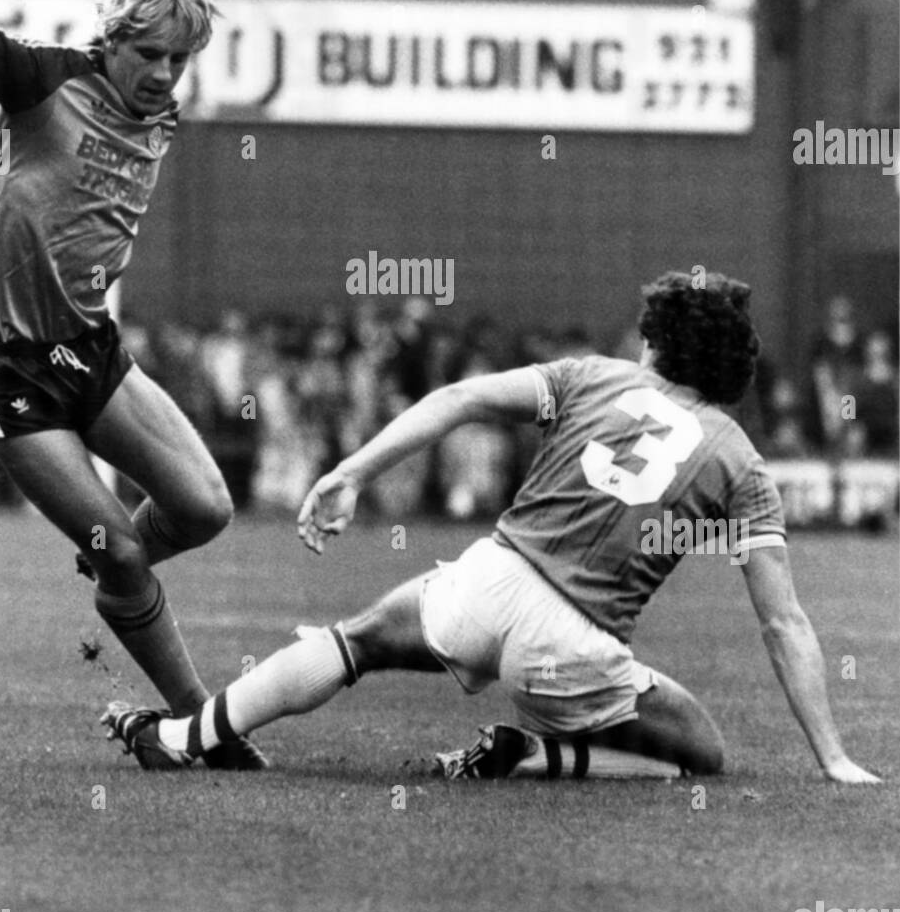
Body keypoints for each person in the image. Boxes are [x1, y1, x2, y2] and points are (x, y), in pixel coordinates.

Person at [101, 272, 879, 785]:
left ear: (655, 344)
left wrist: (354, 473)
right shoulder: (742, 463)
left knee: (356, 641)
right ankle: (534, 752)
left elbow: (461, 399)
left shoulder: (591, 375)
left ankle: (180, 738)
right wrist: (832, 757)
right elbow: (781, 620)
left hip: (486, 584)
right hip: (572, 654)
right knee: (697, 753)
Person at [0, 0, 263, 769]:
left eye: (181, 61)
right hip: (5, 362)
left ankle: (114, 570)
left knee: (203, 509)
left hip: (90, 348)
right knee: (120, 550)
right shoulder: (50, 80)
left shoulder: (160, 111)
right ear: (112, 39)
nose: (163, 75)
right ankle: (195, 726)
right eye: (150, 54)